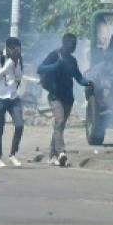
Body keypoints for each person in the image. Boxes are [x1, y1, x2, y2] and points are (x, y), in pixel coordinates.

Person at [37, 33, 92, 168]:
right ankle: (61, 153)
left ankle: (52, 156)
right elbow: (40, 69)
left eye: (75, 45)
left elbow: (79, 78)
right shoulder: (54, 55)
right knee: (59, 121)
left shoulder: (73, 61)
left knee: (59, 127)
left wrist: (89, 83)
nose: (74, 47)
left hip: (68, 98)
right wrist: (56, 65)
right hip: (55, 96)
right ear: (65, 43)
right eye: (72, 44)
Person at [0, 37, 26, 168]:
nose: (16, 51)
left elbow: (19, 76)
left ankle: (12, 154)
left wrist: (16, 62)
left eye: (18, 49)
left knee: (19, 125)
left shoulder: (18, 58)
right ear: (8, 48)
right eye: (14, 49)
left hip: (13, 97)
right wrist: (11, 61)